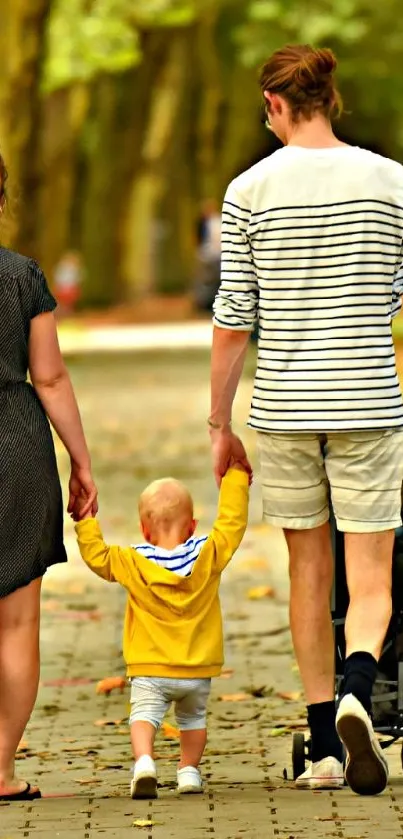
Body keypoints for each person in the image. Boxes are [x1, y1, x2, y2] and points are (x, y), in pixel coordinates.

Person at [209, 44, 403, 796]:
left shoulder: (248, 189)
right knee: (371, 572)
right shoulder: (390, 182)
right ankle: (361, 682)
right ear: (332, 99)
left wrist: (218, 418)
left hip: (285, 407)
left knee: (305, 569)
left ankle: (323, 741)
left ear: (274, 106)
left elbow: (233, 318)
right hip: (366, 401)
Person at [0, 153, 97, 802]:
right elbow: (51, 376)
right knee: (16, 623)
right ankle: (0, 769)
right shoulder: (22, 276)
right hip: (17, 449)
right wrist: (82, 460)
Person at [74, 466, 249, 798]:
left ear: (143, 529)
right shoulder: (208, 554)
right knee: (193, 720)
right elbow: (232, 526)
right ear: (193, 526)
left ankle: (144, 763)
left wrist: (86, 520)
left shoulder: (132, 561)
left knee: (143, 716)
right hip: (197, 669)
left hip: (150, 668)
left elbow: (97, 558)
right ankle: (189, 772)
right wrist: (236, 478)